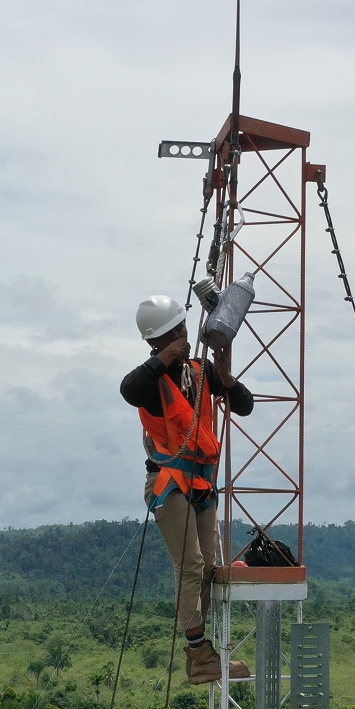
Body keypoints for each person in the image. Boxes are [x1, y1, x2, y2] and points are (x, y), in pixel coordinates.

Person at [121, 293, 254, 685]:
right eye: (172, 333)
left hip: (201, 483)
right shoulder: (151, 381)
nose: (182, 336)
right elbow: (129, 389)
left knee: (209, 568)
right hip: (168, 482)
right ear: (155, 342)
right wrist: (164, 358)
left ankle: (203, 653)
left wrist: (226, 376)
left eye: (182, 328)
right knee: (191, 565)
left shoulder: (200, 372)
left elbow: (242, 405)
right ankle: (198, 650)